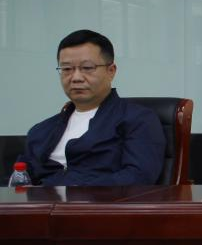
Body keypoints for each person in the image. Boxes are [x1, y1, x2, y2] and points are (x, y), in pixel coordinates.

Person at [15, 30, 165, 186]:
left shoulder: (137, 120)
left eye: (87, 67)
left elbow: (138, 177)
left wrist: (69, 188)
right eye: (67, 69)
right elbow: (19, 178)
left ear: (111, 71)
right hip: (41, 201)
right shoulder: (40, 131)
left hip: (101, 202)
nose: (76, 78)